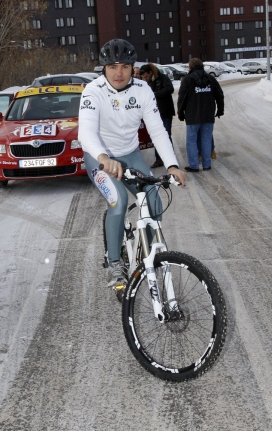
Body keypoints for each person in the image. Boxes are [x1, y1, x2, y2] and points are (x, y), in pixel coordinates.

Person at [79, 39, 186, 287]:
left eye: (125, 66)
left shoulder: (142, 90)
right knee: (119, 202)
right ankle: (115, 264)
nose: (119, 73)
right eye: (113, 66)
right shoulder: (93, 91)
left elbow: (158, 130)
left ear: (133, 68)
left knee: (154, 199)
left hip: (130, 154)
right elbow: (86, 131)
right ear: (103, 68)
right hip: (99, 157)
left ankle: (149, 257)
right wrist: (103, 157)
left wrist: (171, 165)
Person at [177, 57, 224, 172]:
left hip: (192, 115)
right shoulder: (211, 79)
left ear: (190, 67)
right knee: (206, 139)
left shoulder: (187, 80)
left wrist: (180, 113)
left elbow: (182, 98)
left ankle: (194, 165)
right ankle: (207, 164)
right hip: (208, 115)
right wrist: (220, 110)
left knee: (191, 140)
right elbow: (219, 95)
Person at [139, 63, 175, 169]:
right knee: (155, 136)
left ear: (150, 73)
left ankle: (170, 159)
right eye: (143, 77)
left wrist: (155, 94)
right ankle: (159, 159)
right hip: (153, 113)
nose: (145, 78)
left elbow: (170, 89)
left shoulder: (162, 78)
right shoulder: (146, 83)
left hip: (165, 111)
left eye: (146, 76)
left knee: (166, 135)